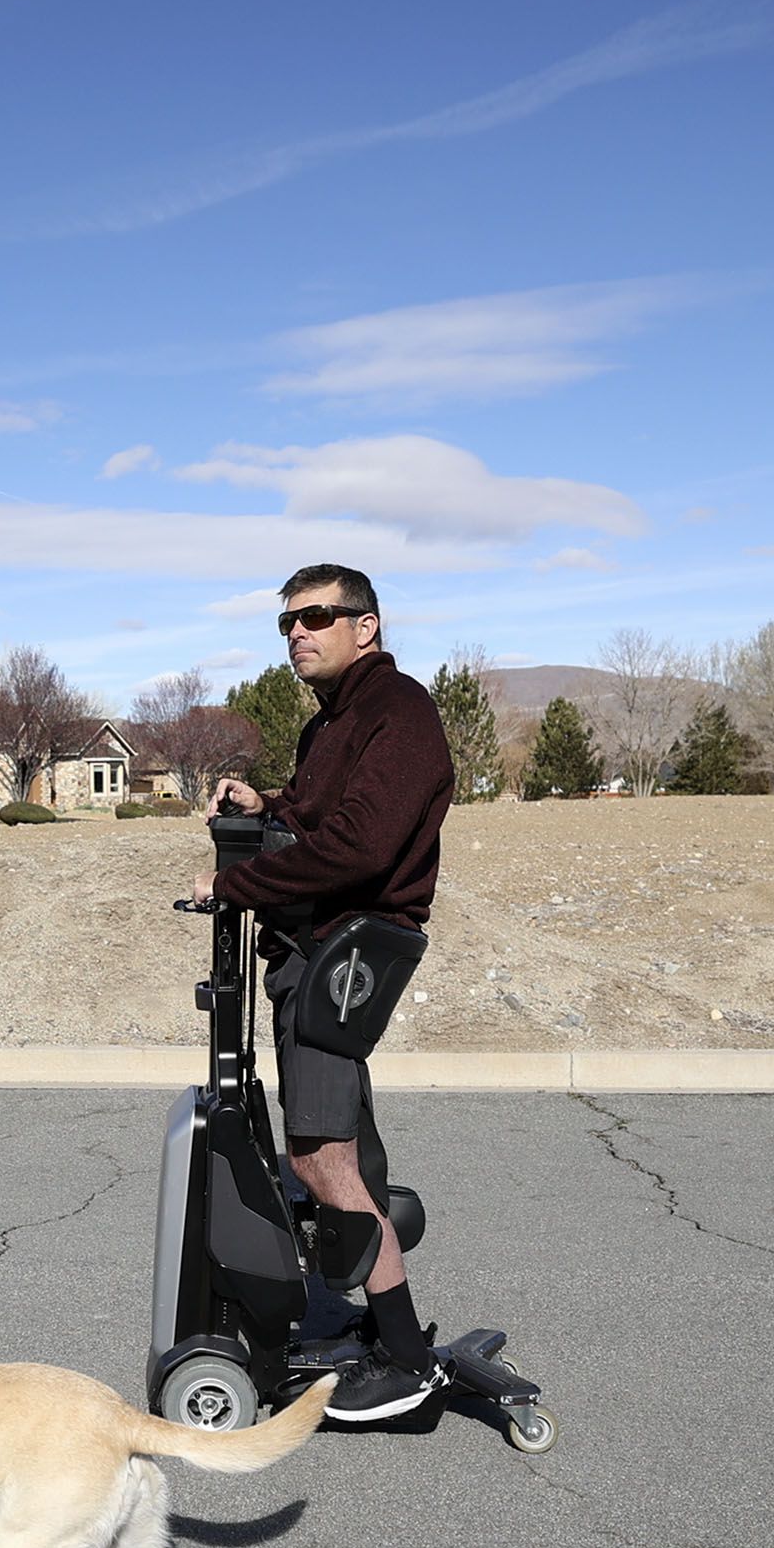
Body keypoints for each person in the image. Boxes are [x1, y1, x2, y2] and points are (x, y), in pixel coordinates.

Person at [190, 563, 455, 1422]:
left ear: (365, 626)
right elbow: (315, 813)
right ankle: (380, 1330)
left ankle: (406, 1361)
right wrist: (265, 800)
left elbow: (359, 848)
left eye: (315, 618)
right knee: (345, 1146)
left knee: (318, 1153)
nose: (297, 633)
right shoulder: (334, 721)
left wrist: (237, 884)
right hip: (316, 945)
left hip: (351, 951)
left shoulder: (400, 712)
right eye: (287, 623)